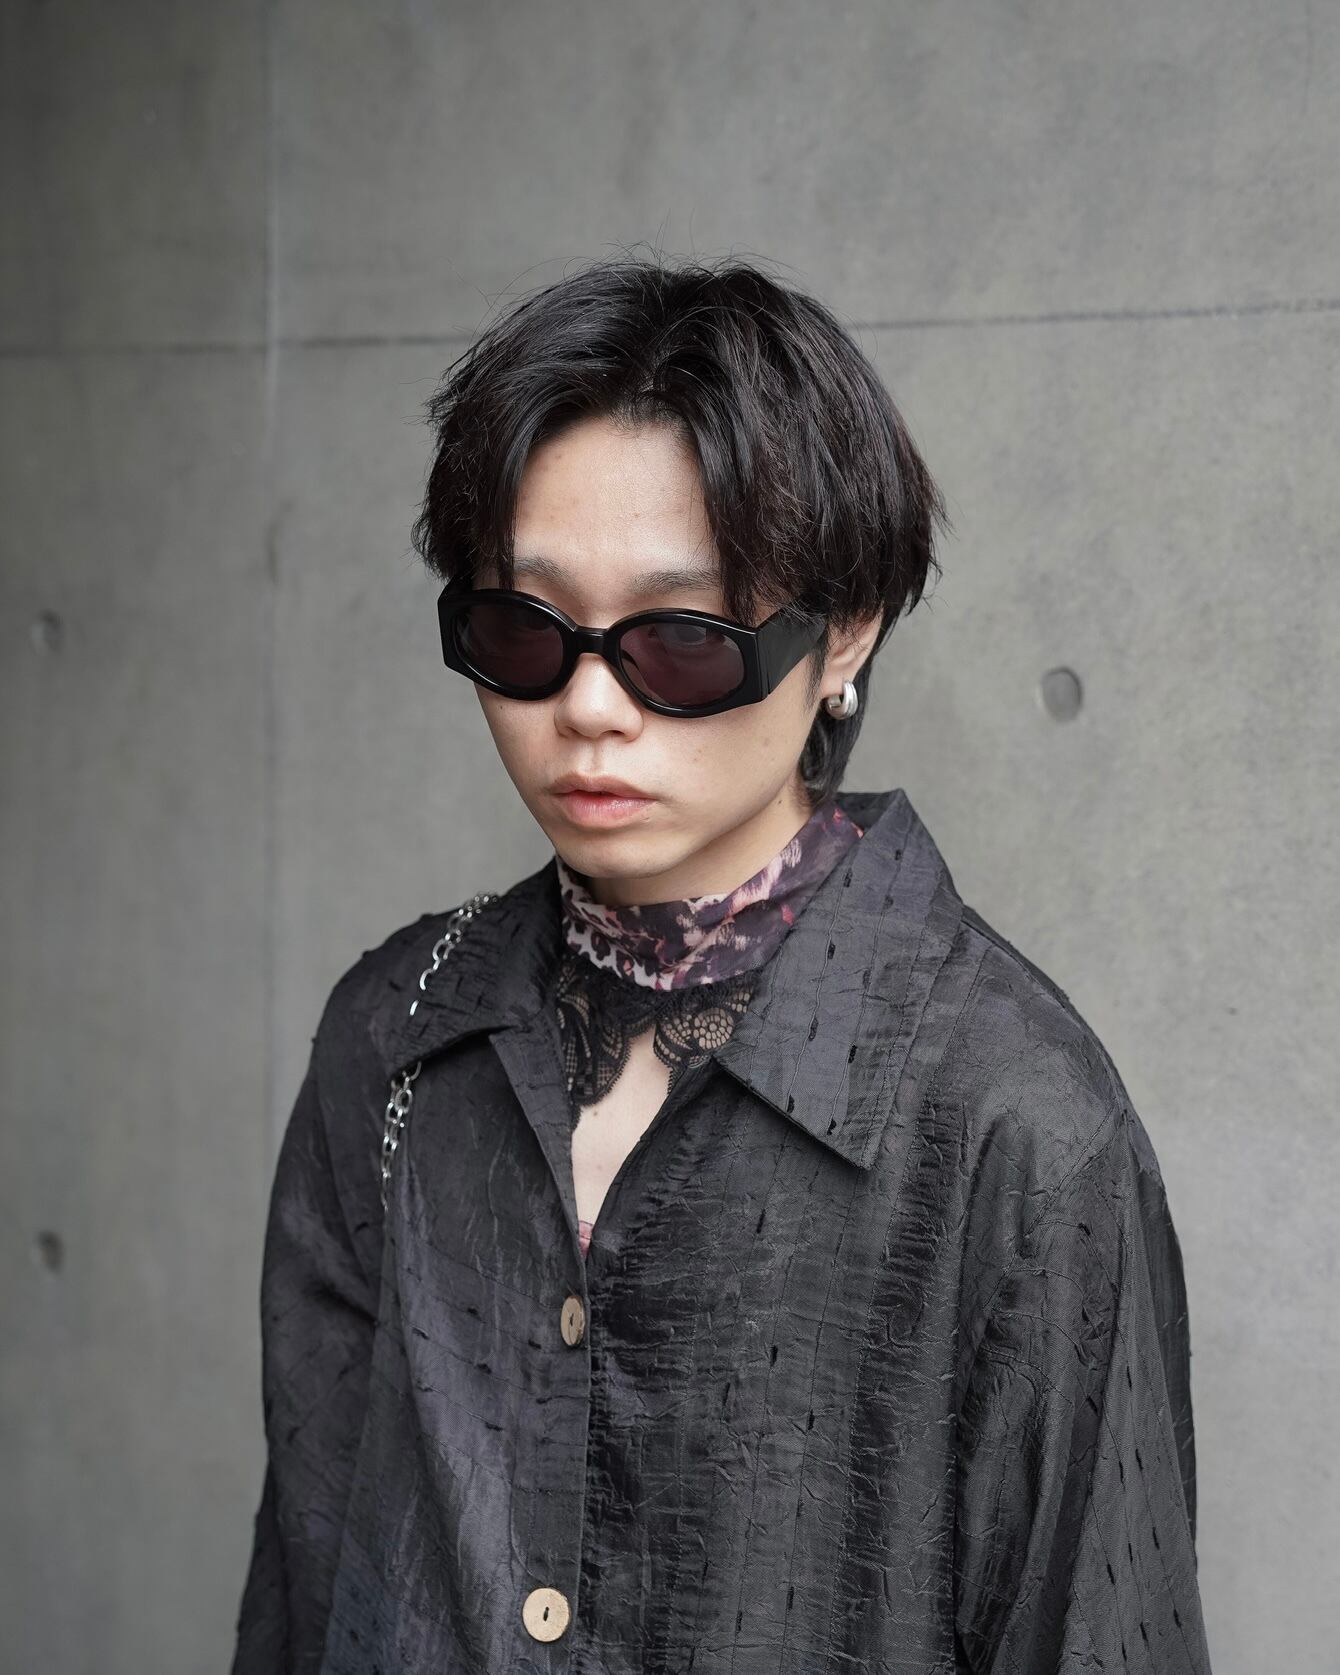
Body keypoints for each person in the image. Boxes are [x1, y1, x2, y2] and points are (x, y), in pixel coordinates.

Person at [230, 255, 1212, 1674]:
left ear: (844, 634)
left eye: (680, 643)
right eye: (523, 631)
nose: (589, 707)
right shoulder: (393, 1033)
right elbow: (311, 1590)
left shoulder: (1018, 1128)